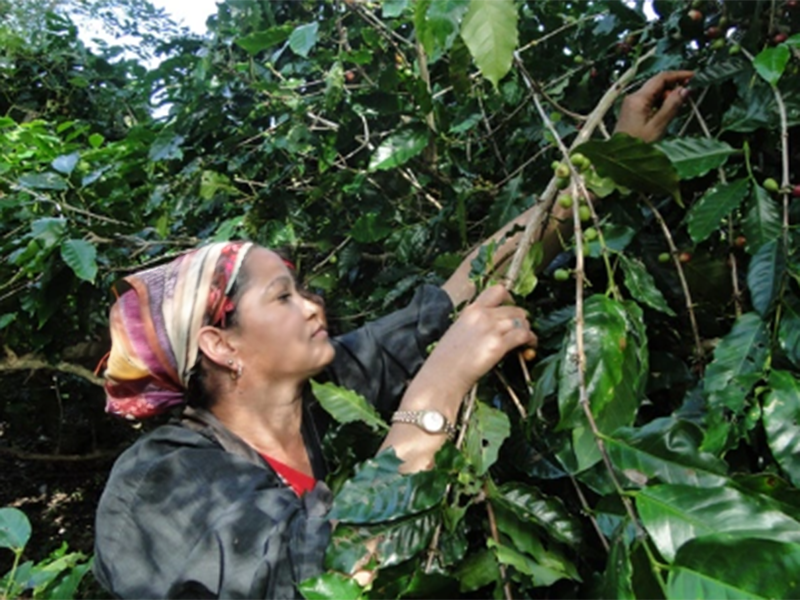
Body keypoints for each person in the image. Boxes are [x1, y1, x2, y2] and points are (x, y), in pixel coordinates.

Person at [93, 70, 692, 599]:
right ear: (219, 344)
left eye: (302, 288)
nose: (311, 305)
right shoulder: (158, 483)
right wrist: (438, 388)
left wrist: (611, 161)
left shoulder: (315, 399)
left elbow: (459, 293)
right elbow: (329, 579)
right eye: (283, 295)